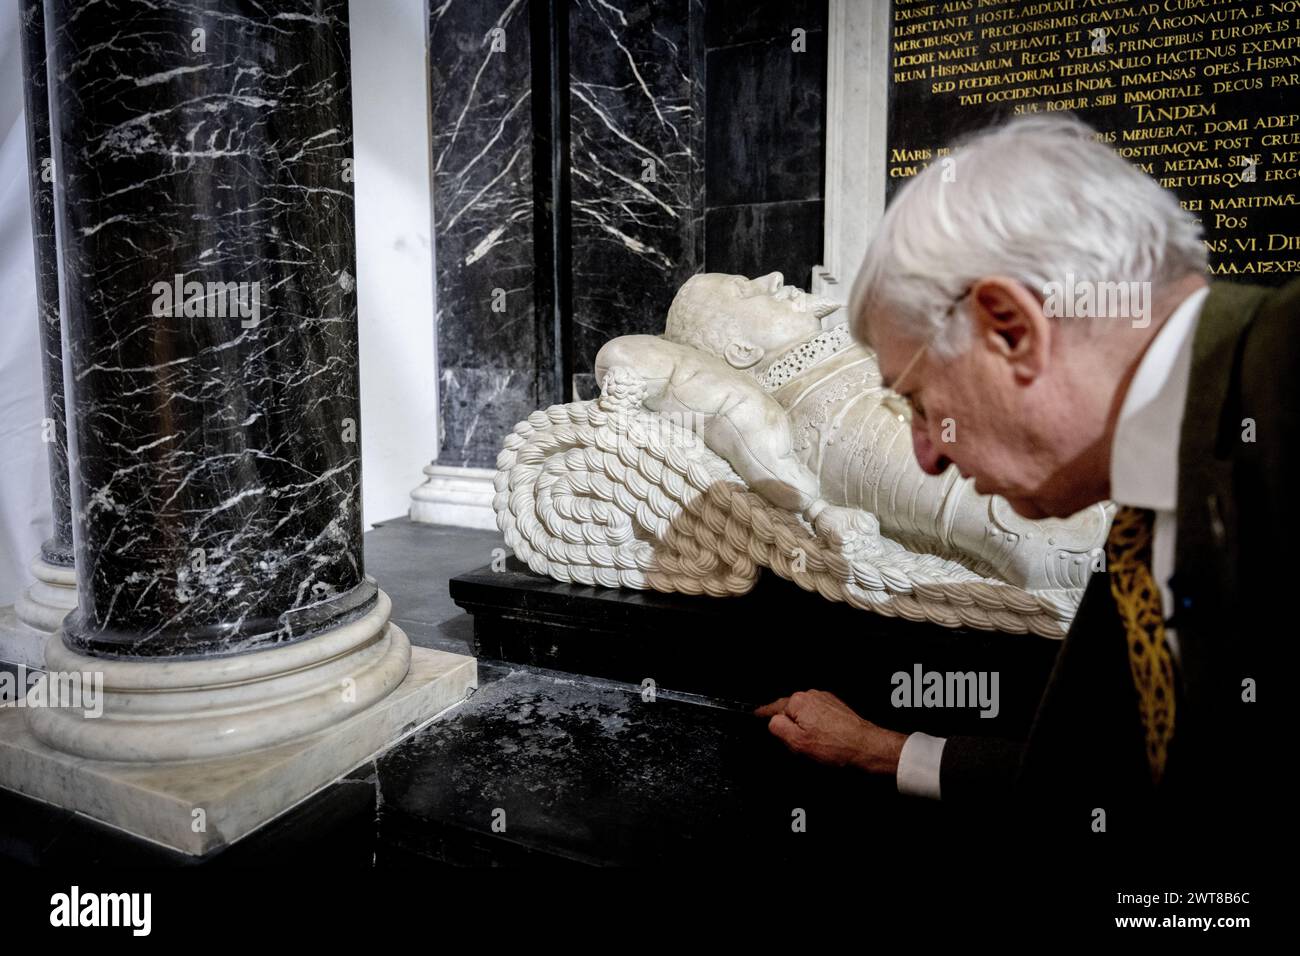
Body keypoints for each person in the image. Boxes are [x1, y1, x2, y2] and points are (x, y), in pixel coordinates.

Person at [757, 114, 1288, 842]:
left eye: (917, 401)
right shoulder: (1150, 485)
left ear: (1011, 329)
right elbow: (1112, 782)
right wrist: (882, 752)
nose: (926, 455)